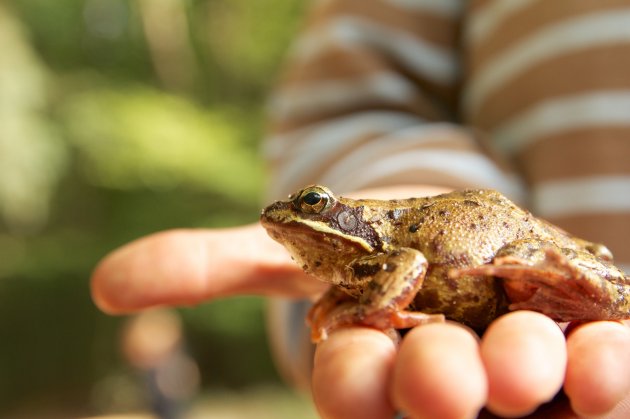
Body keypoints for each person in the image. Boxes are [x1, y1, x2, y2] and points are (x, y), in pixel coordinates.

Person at [92, 1, 630, 417]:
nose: (296, 214)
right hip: (509, 320)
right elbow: (358, 102)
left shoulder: (380, 260)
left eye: (315, 205)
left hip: (529, 257)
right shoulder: (361, 258)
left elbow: (411, 265)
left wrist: (364, 308)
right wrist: (391, 177)